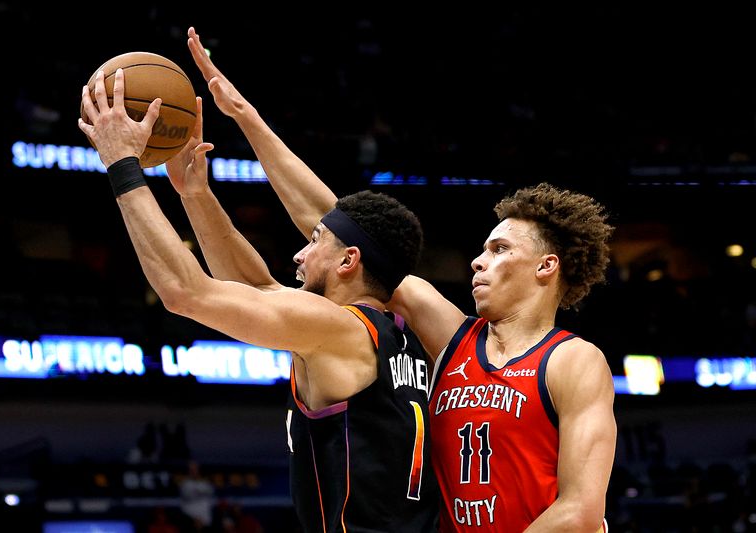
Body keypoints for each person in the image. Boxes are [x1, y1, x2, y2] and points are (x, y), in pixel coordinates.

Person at [182, 26, 616, 532]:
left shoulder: (574, 361)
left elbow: (581, 513)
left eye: (499, 250)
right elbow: (343, 228)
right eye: (481, 249)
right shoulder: (455, 341)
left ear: (547, 267)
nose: (477, 261)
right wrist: (246, 118)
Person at [77, 68, 438, 532]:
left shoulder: (339, 328)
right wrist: (195, 195)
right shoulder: (400, 335)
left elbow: (186, 292)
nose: (299, 252)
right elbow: (261, 289)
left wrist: (121, 165)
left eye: (315, 240)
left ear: (349, 260)